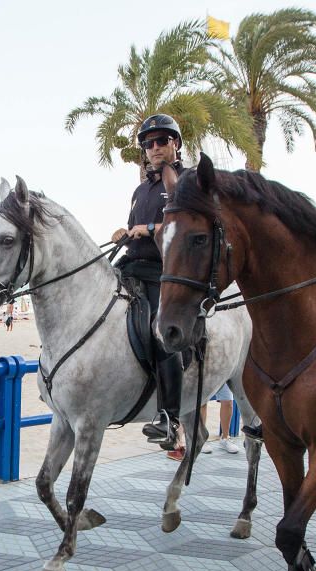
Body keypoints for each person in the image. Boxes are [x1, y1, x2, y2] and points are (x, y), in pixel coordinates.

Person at [111, 113, 187, 455]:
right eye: (148, 143)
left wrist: (152, 230)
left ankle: (170, 419)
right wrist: (124, 233)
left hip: (164, 271)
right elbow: (133, 228)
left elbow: (187, 229)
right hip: (132, 263)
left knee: (161, 334)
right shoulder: (141, 189)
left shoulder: (185, 182)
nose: (154, 148)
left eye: (161, 141)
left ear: (175, 144)